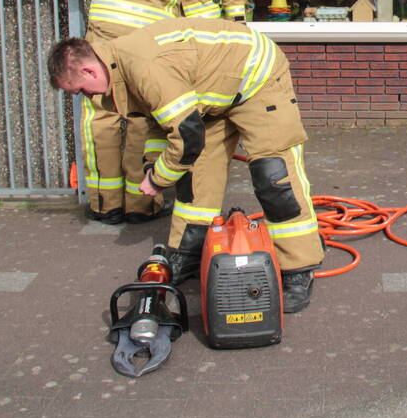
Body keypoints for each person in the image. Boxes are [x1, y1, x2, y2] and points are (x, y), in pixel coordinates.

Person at [47, 18, 324, 312]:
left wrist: (157, 180)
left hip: (257, 77)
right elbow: (160, 126)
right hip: (212, 96)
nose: (87, 98)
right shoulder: (119, 74)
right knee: (195, 178)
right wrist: (154, 167)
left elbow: (187, 135)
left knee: (274, 177)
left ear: (89, 69)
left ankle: (298, 269)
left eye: (81, 90)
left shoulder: (143, 66)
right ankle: (190, 252)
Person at [51, 0, 243, 225]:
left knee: (101, 115)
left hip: (108, 28)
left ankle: (104, 204)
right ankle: (143, 204)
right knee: (143, 118)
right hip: (152, 37)